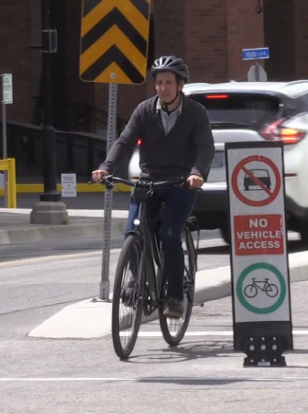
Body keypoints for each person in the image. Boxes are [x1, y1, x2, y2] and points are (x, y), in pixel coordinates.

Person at [91, 55, 215, 318]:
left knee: (170, 236)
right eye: (159, 83)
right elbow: (124, 142)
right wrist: (106, 167)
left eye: (169, 82)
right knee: (131, 232)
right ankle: (137, 279)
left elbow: (205, 147)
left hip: (180, 184)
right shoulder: (144, 110)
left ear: (180, 85)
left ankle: (175, 297)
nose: (164, 88)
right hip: (148, 182)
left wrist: (197, 173)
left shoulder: (195, 113)